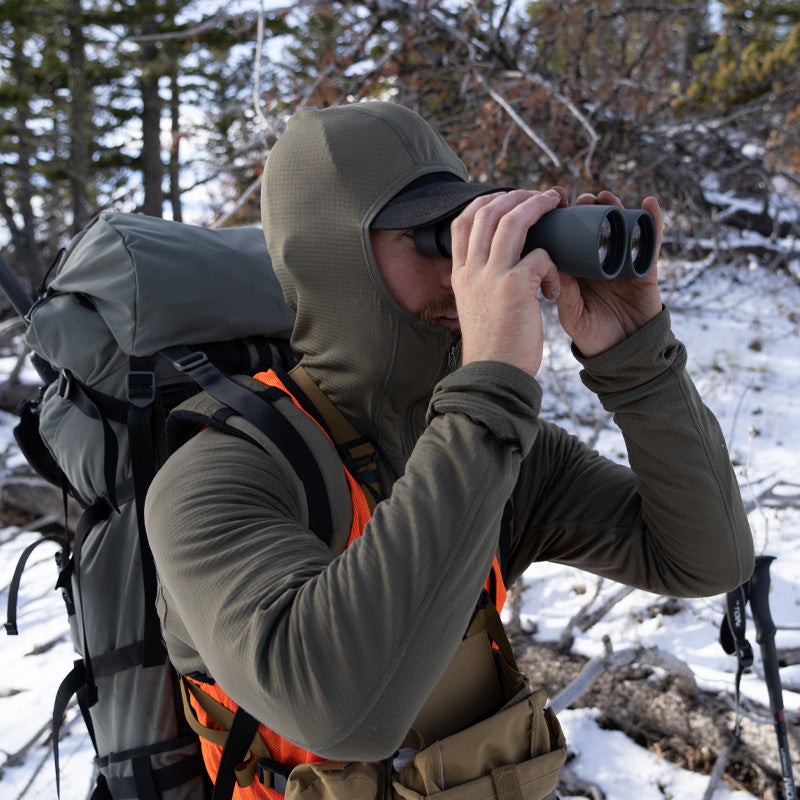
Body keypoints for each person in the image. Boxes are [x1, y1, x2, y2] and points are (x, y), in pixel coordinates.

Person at [145, 101, 754, 799]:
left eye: (471, 231)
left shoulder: (483, 442)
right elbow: (342, 714)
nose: (460, 273)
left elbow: (707, 558)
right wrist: (490, 387)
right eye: (436, 238)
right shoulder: (219, 472)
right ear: (332, 259)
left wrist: (639, 359)